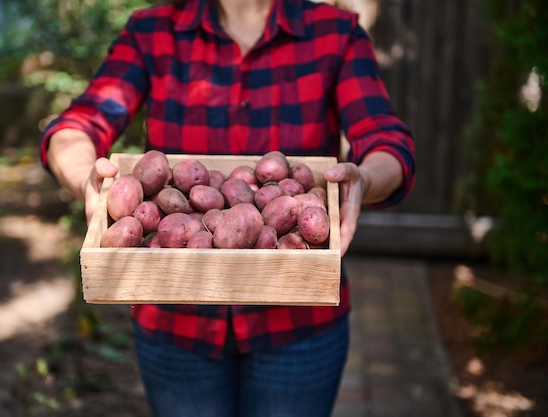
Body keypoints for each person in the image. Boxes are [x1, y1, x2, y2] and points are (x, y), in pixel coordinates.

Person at [40, 0, 416, 415]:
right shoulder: (153, 30)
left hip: (299, 325)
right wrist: (84, 178)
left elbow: (387, 141)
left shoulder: (336, 31)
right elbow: (79, 123)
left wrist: (365, 178)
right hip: (176, 323)